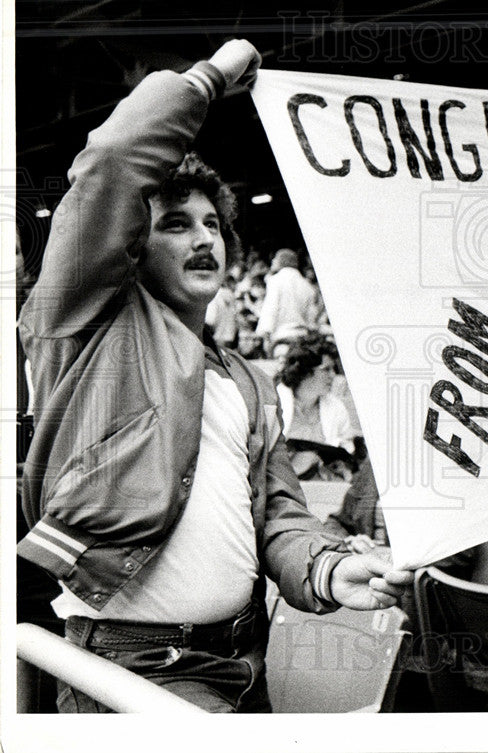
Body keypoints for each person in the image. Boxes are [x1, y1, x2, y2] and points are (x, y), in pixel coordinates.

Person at [16, 39, 412, 713]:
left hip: (242, 659)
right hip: (137, 667)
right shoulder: (82, 329)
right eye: (175, 224)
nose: (205, 237)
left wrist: (329, 567)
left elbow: (281, 514)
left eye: (212, 224)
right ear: (132, 252)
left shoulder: (247, 380)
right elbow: (113, 164)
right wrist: (208, 77)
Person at [276, 333, 360, 480]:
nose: (333, 375)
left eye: (333, 369)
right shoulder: (274, 400)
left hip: (322, 485)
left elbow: (347, 449)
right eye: (326, 369)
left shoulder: (336, 406)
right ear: (305, 371)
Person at [256, 247, 321, 357]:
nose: (272, 261)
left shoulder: (275, 281)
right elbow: (312, 318)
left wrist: (265, 334)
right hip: (302, 339)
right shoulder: (307, 285)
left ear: (283, 261)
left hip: (282, 337)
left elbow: (271, 309)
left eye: (275, 258)